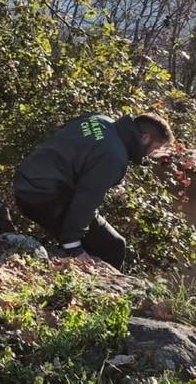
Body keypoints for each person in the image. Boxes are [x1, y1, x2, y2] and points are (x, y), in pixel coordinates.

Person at [13, 112, 174, 269]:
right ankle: (95, 291)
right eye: (154, 148)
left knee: (94, 232)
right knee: (114, 246)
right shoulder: (113, 156)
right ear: (145, 138)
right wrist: (73, 246)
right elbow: (86, 201)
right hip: (42, 197)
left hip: (26, 180)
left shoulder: (98, 119)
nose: (151, 154)